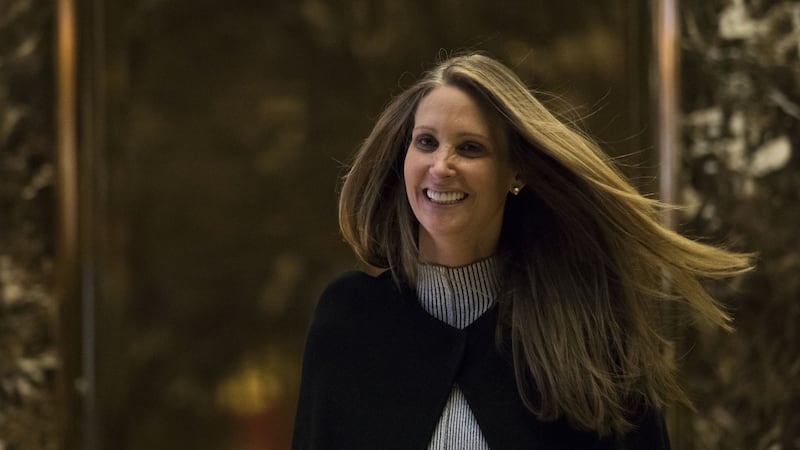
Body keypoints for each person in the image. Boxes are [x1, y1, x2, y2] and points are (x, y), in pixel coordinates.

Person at [291, 53, 752, 449]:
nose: (441, 165)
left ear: (515, 173)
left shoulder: (584, 331)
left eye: (470, 148)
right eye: (426, 142)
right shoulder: (349, 321)